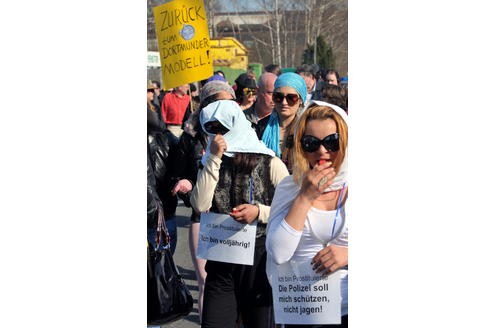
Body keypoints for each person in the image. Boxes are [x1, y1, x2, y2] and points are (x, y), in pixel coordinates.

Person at [190, 99, 289, 328]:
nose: (218, 136)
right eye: (212, 130)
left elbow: (291, 209)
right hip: (221, 257)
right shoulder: (210, 161)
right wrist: (213, 158)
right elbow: (199, 203)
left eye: (222, 129)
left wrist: (259, 212)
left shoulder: (269, 161)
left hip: (259, 260)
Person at [266, 101, 348, 327]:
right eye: (311, 143)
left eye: (332, 142)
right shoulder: (289, 187)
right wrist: (305, 197)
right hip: (304, 312)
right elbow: (278, 253)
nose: (323, 151)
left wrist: (348, 254)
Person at [171, 80, 236, 323]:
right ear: (206, 106)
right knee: (206, 280)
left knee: (233, 285)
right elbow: (178, 174)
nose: (223, 108)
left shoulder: (242, 132)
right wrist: (186, 186)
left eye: (229, 102)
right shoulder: (190, 137)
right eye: (216, 102)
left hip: (237, 218)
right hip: (204, 216)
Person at [147, 90, 180, 253]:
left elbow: (181, 171)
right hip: (160, 215)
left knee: (163, 270)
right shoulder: (168, 139)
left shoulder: (168, 140)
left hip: (163, 215)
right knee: (161, 272)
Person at [261, 72, 307, 171]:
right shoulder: (260, 127)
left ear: (301, 101)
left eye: (291, 98)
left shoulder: (307, 130)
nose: (284, 102)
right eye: (278, 97)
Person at [243, 72, 277, 138]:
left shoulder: (281, 120)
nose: (275, 98)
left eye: (277, 94)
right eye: (270, 93)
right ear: (257, 91)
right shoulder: (242, 118)